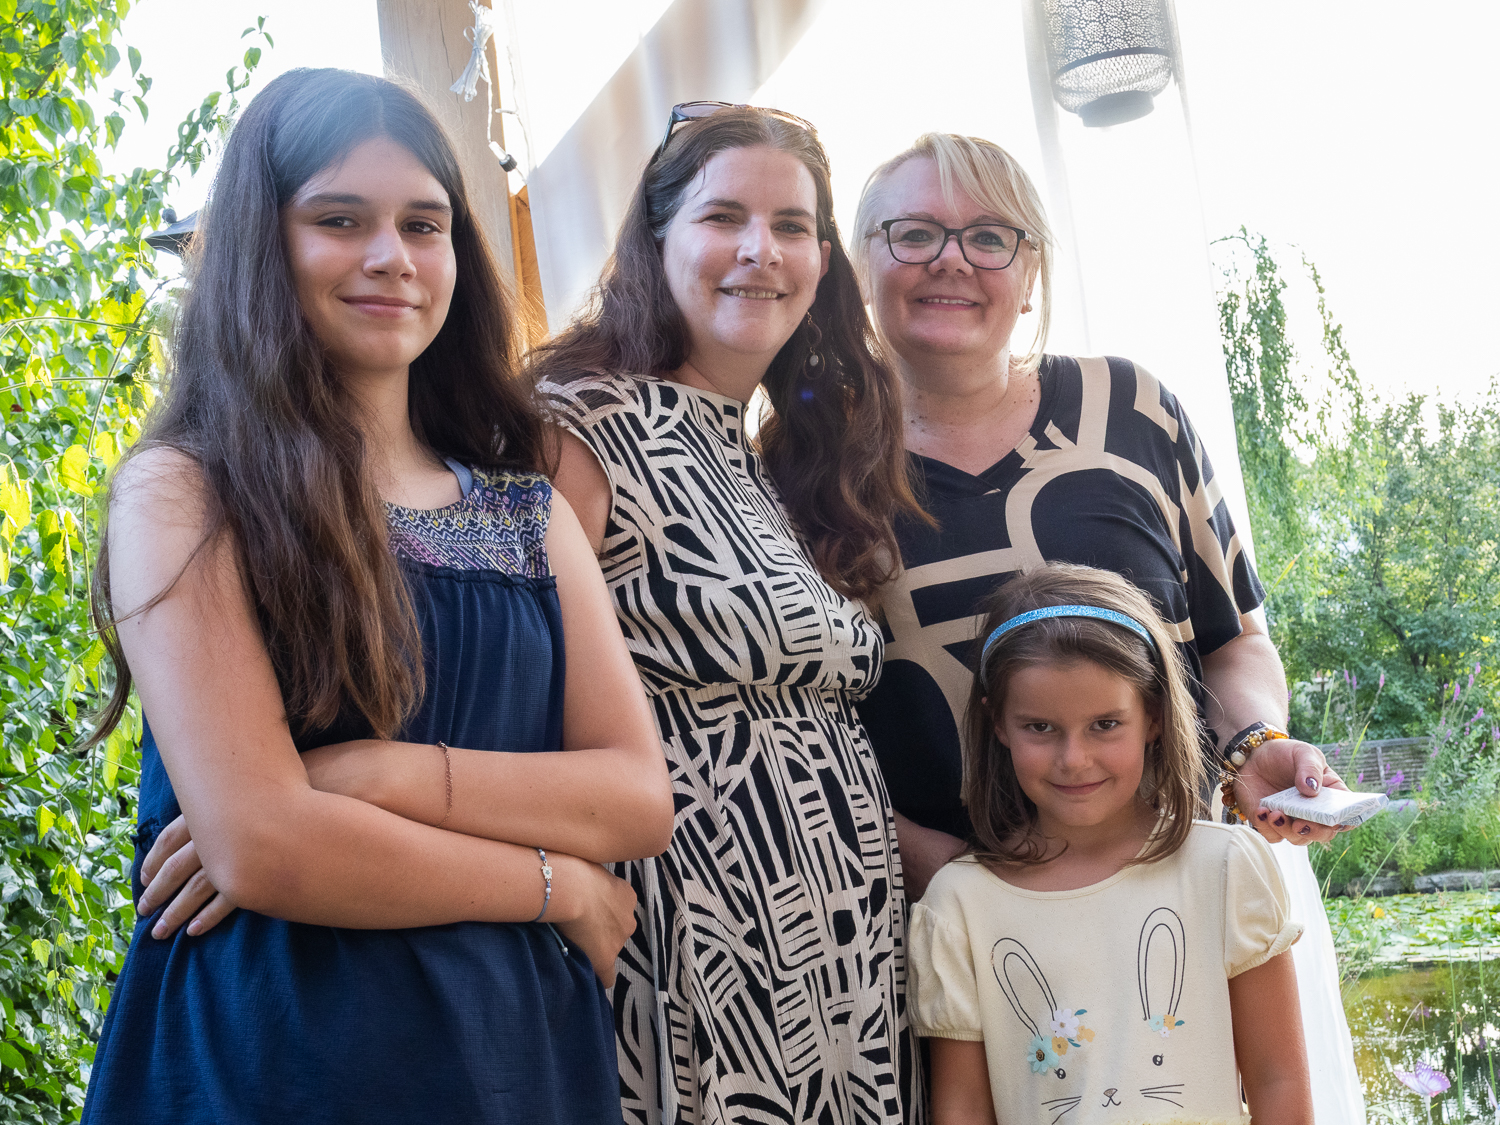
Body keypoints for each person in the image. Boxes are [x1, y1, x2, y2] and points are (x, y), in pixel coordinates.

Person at [81, 69, 672, 1124]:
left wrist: (372, 775)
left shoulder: (526, 517)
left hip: (514, 1055)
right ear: (267, 244)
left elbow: (635, 797)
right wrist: (560, 885)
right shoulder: (187, 491)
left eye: (423, 224)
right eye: (338, 219)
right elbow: (265, 845)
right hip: (281, 1060)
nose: (391, 257)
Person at [849, 132, 1364, 1121]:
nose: (952, 259)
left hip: (1166, 887)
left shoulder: (1134, 409)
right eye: (912, 233)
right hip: (967, 919)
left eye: (990, 237)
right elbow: (814, 729)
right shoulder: (807, 465)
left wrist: (1252, 742)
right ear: (863, 263)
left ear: (1032, 270)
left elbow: (1234, 635)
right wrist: (968, 884)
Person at [531, 103, 926, 1124]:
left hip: (840, 971)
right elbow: (486, 688)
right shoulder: (574, 426)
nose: (761, 251)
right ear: (656, 238)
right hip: (689, 960)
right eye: (724, 218)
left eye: (793, 226)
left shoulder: (764, 457)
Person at [911, 562, 1312, 1124]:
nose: (1074, 759)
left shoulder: (1224, 869)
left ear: (1151, 714)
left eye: (1105, 724)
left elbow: (1279, 1081)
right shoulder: (958, 907)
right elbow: (963, 1110)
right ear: (997, 722)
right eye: (1041, 728)